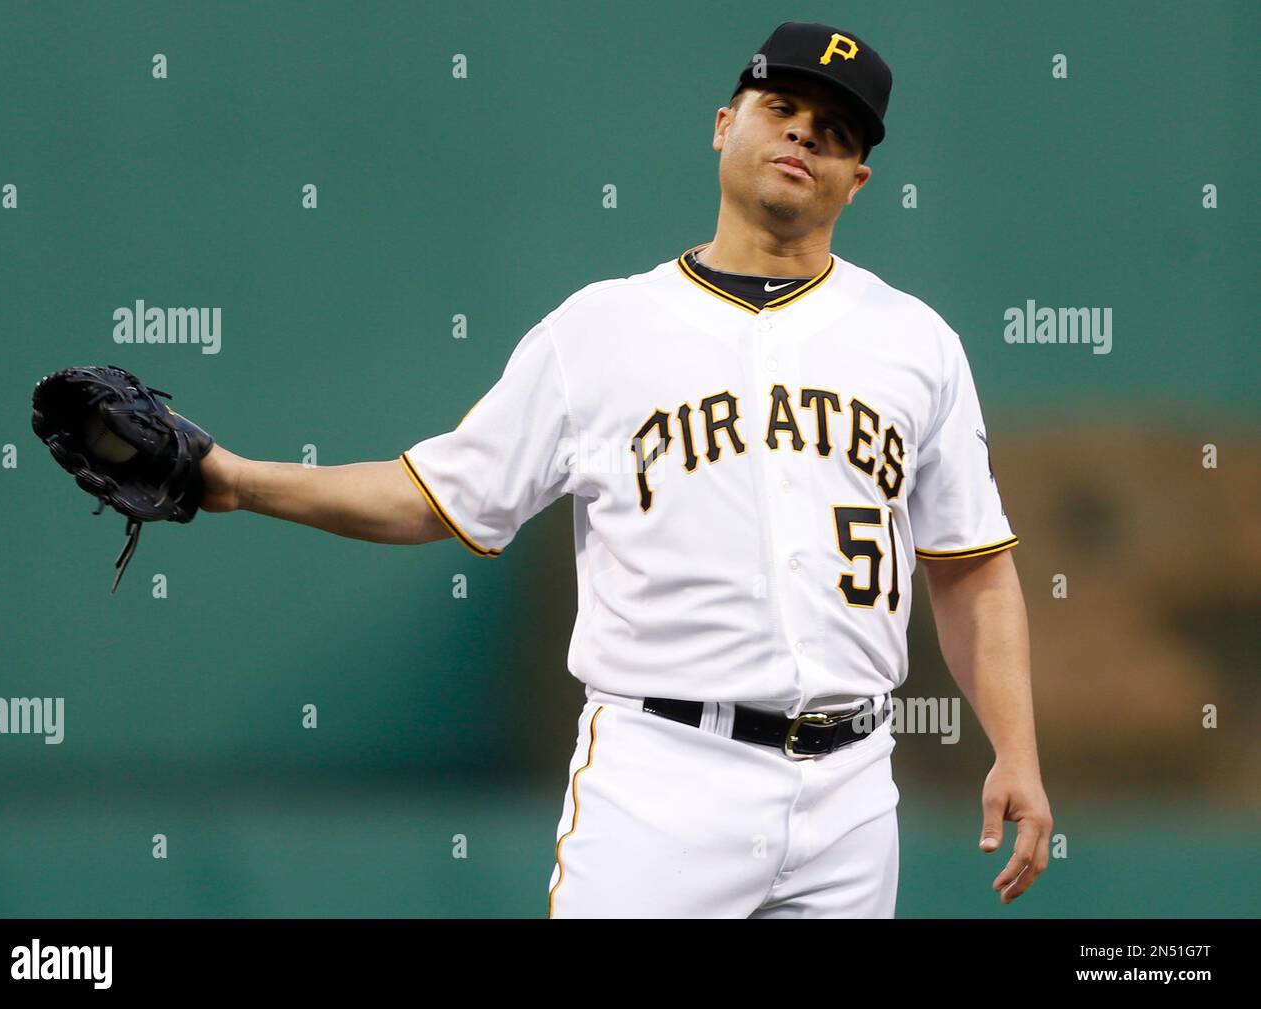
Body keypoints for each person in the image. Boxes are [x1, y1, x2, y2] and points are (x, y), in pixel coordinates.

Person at [198, 21, 1052, 918]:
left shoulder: (915, 341)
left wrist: (1018, 749)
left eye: (836, 130)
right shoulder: (599, 332)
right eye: (782, 107)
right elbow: (434, 496)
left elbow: (974, 570)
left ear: (858, 178)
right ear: (724, 123)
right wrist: (239, 481)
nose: (804, 133)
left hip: (853, 790)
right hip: (664, 781)